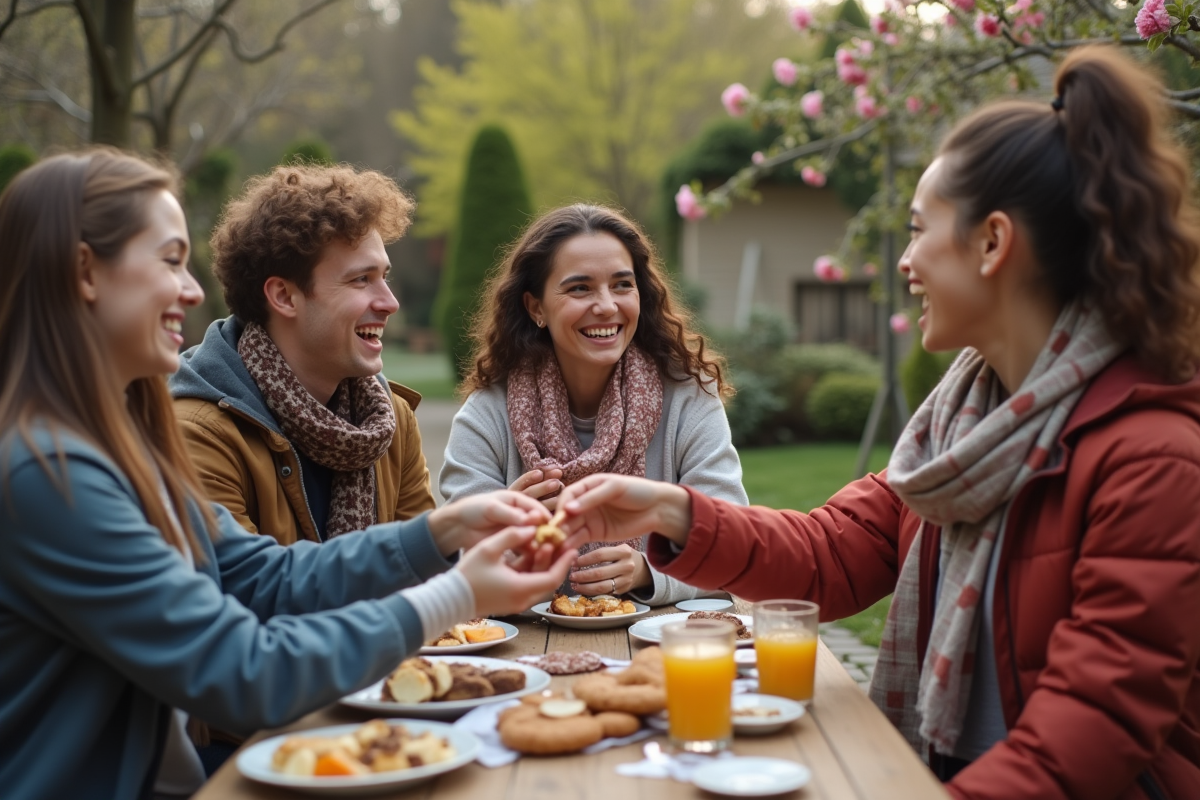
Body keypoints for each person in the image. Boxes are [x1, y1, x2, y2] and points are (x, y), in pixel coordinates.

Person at [553, 48, 1200, 800]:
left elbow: (1091, 733)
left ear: (993, 244)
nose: (905, 260)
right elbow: (833, 552)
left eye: (921, 229)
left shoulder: (1154, 458)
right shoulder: (967, 424)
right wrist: (674, 510)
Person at [0, 149, 573, 800]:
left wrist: (442, 531)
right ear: (85, 272)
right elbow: (243, 672)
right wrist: (457, 593)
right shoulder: (46, 474)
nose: (192, 290)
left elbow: (263, 575)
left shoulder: (121, 446)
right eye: (168, 260)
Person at [440, 204, 747, 605]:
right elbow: (454, 562)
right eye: (580, 288)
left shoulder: (689, 401)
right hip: (527, 652)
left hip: (660, 645)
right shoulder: (488, 414)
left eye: (622, 285)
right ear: (536, 308)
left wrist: (648, 571)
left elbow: (733, 544)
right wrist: (506, 540)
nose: (606, 306)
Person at [170, 163, 434, 545]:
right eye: (361, 279)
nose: (390, 302)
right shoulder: (199, 434)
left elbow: (434, 579)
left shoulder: (390, 423)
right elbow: (248, 589)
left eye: (384, 276)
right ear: (283, 297)